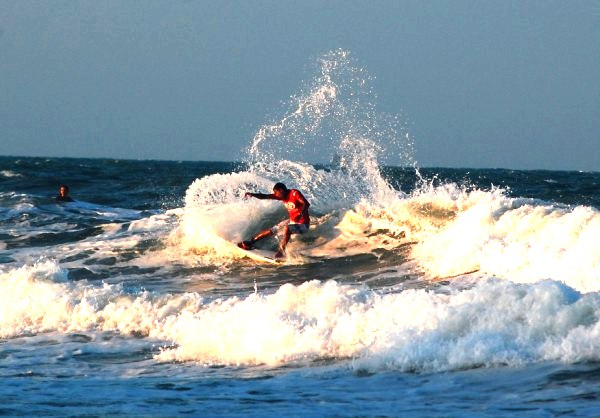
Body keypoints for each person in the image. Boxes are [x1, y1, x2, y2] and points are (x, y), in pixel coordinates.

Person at [238, 182, 310, 258]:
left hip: (303, 225)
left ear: (281, 190)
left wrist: (300, 213)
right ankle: (251, 242)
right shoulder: (282, 196)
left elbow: (306, 204)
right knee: (273, 229)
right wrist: (252, 194)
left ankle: (281, 251)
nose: (275, 194)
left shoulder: (294, 193)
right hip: (292, 221)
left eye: (276, 192)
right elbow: (265, 196)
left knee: (287, 228)